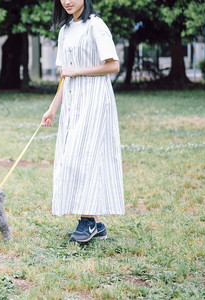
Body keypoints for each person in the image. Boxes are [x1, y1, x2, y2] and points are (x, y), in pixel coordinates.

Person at [41, 0, 124, 243]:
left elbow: (114, 65)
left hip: (96, 100)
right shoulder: (65, 30)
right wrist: (52, 109)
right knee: (72, 158)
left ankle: (87, 220)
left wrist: (76, 71)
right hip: (73, 103)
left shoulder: (96, 26)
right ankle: (96, 224)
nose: (67, 1)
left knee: (86, 156)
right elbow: (64, 77)